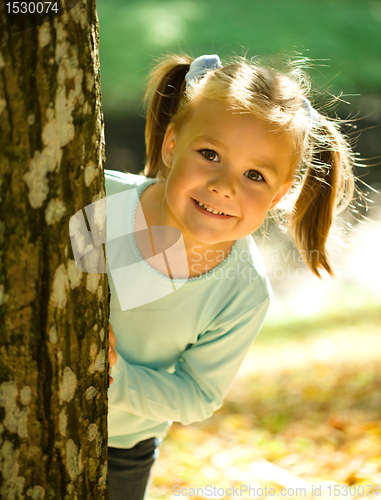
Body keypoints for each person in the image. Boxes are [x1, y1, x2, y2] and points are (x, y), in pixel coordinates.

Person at [105, 54, 355, 500]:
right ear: (170, 145)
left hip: (121, 446)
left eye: (254, 175)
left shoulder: (240, 290)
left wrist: (110, 377)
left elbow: (197, 394)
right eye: (210, 154)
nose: (224, 185)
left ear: (278, 196)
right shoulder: (105, 204)